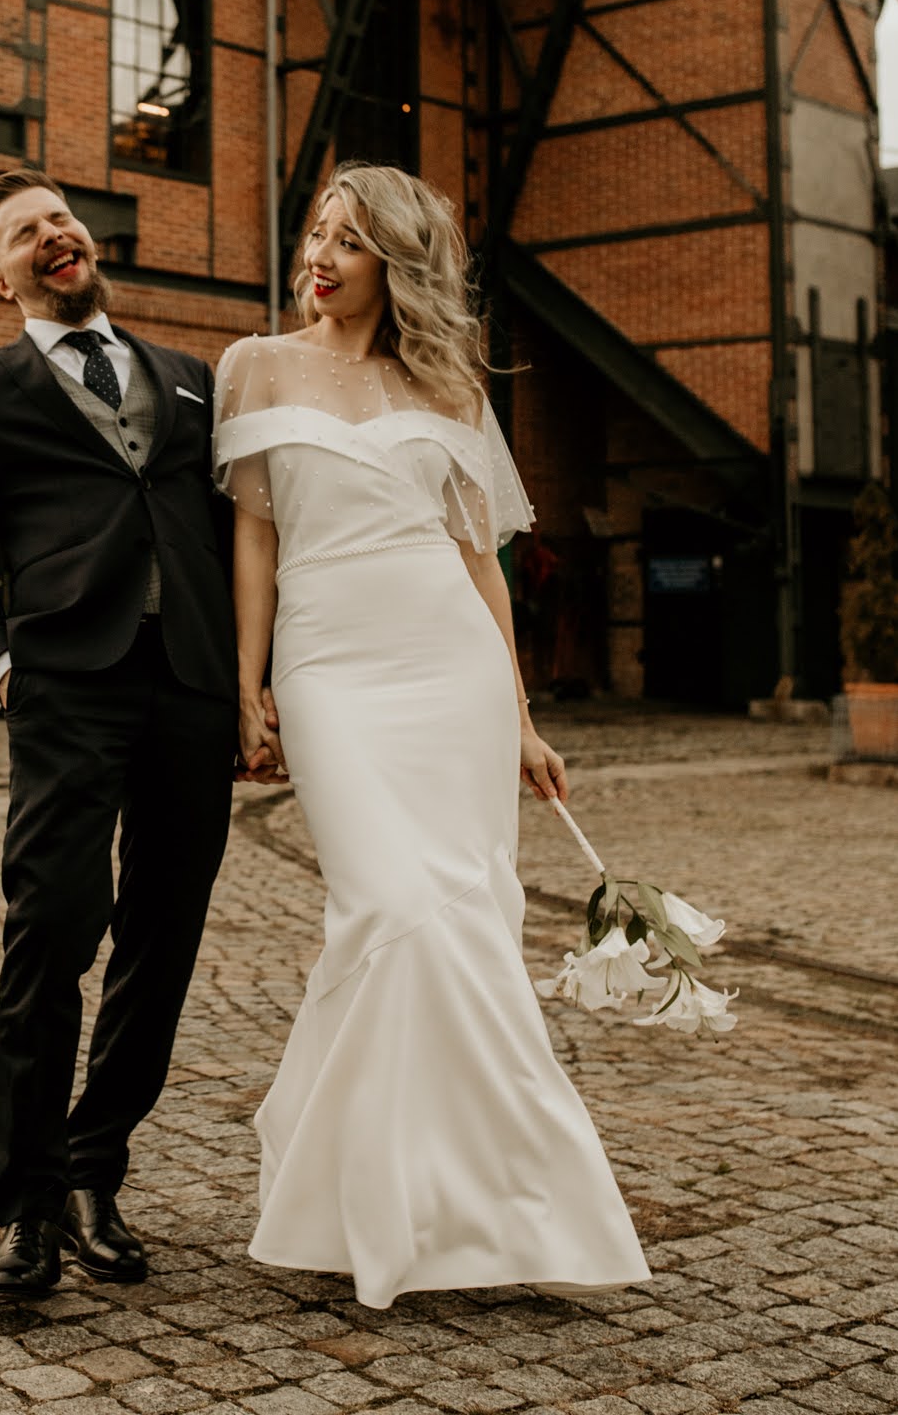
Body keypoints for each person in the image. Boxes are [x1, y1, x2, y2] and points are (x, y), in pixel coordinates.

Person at [214, 162, 650, 1310]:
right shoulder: (254, 365)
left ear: (396, 264)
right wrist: (246, 682)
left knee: (461, 918)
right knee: (390, 906)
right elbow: (254, 535)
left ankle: (448, 1206)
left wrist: (519, 716)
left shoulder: (449, 387)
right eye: (317, 230)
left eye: (348, 240)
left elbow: (480, 561)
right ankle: (441, 1194)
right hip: (327, 665)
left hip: (448, 664)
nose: (319, 254)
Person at [0, 168, 239, 1298]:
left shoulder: (190, 377)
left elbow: (229, 531)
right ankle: (25, 1204)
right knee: (52, 927)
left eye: (58, 218)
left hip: (193, 683)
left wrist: (251, 683)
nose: (53, 236)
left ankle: (94, 1170)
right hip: (65, 683)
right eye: (24, 233)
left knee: (165, 933)